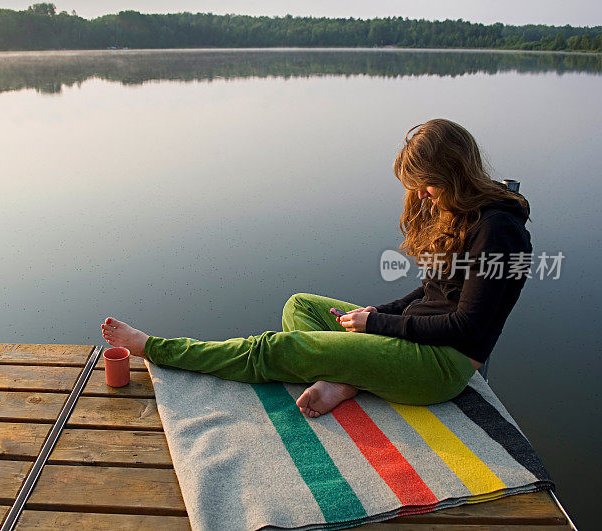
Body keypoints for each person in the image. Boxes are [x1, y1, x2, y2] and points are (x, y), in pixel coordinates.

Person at [101, 118, 532, 418]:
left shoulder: (499, 232)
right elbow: (430, 294)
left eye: (427, 185)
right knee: (301, 307)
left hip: (441, 367)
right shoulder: (463, 213)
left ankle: (154, 346)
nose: (421, 197)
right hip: (417, 340)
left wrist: (378, 325)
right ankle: (349, 379)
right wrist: (370, 314)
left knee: (277, 349)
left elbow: (468, 328)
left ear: (454, 174)